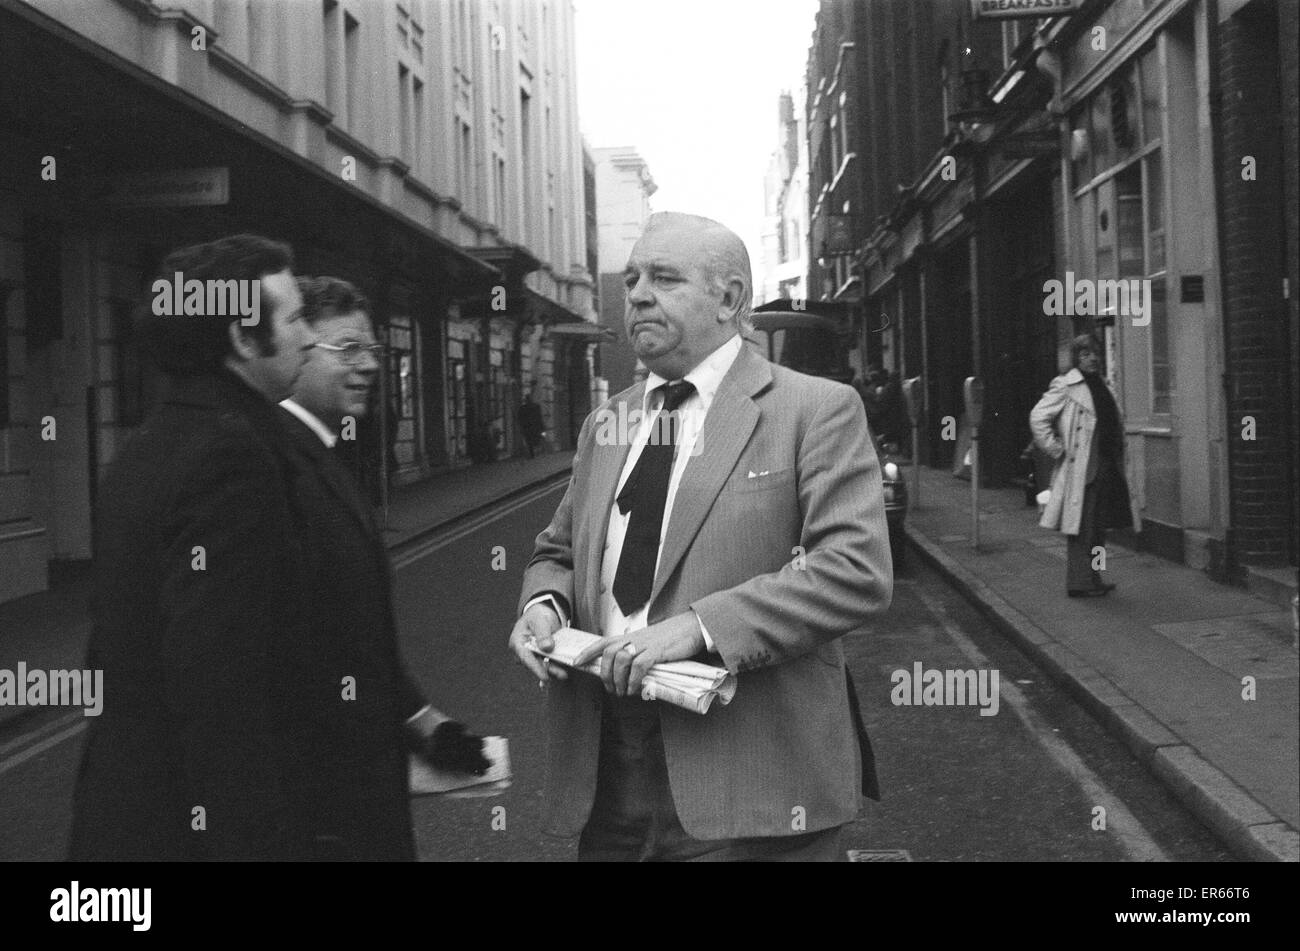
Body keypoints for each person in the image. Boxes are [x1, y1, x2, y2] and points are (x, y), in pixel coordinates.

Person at [507, 212, 893, 862]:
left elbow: (852, 571)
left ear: (730, 298)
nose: (636, 294)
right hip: (611, 774)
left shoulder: (814, 409)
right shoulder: (609, 421)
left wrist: (698, 627)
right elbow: (558, 551)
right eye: (631, 279)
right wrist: (543, 604)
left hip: (749, 781)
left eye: (663, 277)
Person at [69, 234, 318, 860]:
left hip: (122, 816)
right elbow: (219, 684)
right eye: (293, 318)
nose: (309, 337)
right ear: (242, 337)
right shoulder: (236, 459)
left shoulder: (143, 448)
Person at [279, 276, 489, 860]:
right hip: (323, 801)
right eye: (348, 350)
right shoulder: (269, 466)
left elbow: (350, 633)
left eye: (372, 350)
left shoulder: (325, 451)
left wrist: (424, 721)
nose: (369, 365)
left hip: (357, 781)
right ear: (295, 350)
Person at [1029, 333, 1141, 597]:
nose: (1092, 358)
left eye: (1095, 353)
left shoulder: (1102, 384)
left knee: (1099, 528)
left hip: (1107, 465)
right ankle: (1080, 583)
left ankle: (1095, 577)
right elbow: (1038, 417)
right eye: (1085, 354)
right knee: (1082, 528)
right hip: (1084, 469)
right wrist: (1058, 449)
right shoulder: (1067, 385)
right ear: (1076, 358)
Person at [517, 388, 546, 458]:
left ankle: (533, 454)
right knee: (535, 440)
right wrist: (542, 427)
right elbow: (539, 417)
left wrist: (521, 427)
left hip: (527, 428)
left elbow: (519, 418)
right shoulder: (536, 406)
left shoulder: (522, 408)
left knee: (529, 441)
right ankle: (535, 453)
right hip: (534, 427)